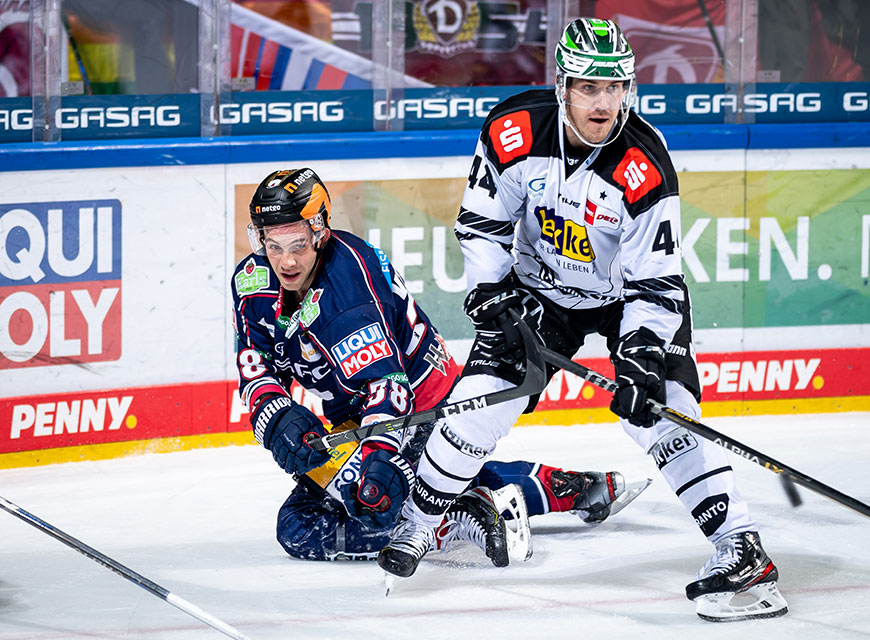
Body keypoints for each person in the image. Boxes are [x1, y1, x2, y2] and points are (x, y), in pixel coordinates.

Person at [377, 18, 788, 622]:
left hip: (630, 298)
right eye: (589, 88)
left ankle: (740, 548)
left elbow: (656, 278)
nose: (603, 102)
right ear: (563, 87)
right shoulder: (513, 131)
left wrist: (642, 356)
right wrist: (491, 295)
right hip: (539, 291)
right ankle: (416, 524)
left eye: (615, 87)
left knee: (665, 414)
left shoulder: (644, 166)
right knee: (480, 402)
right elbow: (482, 224)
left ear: (629, 90)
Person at [231, 167, 645, 565]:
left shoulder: (348, 291)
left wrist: (378, 457)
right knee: (309, 519)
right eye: (273, 244)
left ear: (319, 231)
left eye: (298, 244)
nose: (285, 261)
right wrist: (276, 412)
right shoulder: (251, 281)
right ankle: (559, 489)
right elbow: (256, 364)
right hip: (358, 415)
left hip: (421, 406)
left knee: (309, 524)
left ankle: (447, 521)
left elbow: (386, 387)